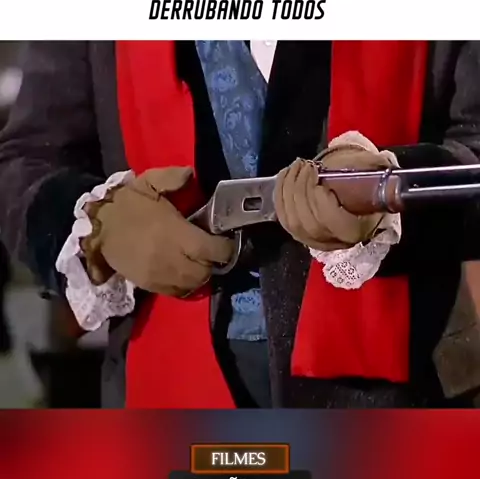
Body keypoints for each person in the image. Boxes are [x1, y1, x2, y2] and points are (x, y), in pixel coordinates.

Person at [0, 40, 479, 410]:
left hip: (400, 396)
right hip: (164, 396)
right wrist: (101, 229)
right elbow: (27, 163)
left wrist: (387, 191)